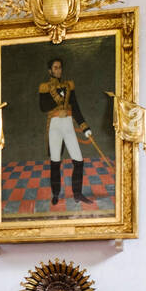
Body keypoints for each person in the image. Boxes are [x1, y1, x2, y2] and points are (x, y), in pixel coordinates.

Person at [38, 58, 94, 206]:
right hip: (55, 126)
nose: (58, 70)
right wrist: (60, 99)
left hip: (68, 125)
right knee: (55, 162)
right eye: (55, 68)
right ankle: (55, 194)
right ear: (50, 70)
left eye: (60, 68)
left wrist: (84, 126)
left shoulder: (69, 85)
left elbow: (75, 107)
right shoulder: (44, 87)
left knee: (79, 161)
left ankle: (77, 194)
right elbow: (43, 107)